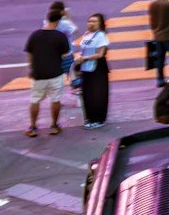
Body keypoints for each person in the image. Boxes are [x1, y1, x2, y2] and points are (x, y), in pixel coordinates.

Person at [25, 9, 69, 137]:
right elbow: (66, 54)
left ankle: (32, 127)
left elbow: (29, 53)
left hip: (38, 74)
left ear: (47, 19)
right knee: (55, 100)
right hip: (55, 73)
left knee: (35, 100)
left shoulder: (34, 35)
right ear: (58, 21)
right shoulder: (60, 36)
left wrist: (31, 68)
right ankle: (54, 126)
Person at [74, 13, 111, 128]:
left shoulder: (101, 36)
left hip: (97, 68)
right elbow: (83, 50)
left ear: (100, 24)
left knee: (98, 94)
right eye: (89, 21)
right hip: (86, 68)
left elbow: (100, 54)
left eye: (94, 21)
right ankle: (89, 118)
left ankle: (99, 119)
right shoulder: (86, 35)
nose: (91, 23)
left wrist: (84, 58)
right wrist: (79, 58)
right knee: (86, 93)